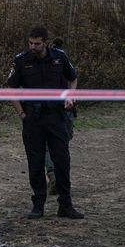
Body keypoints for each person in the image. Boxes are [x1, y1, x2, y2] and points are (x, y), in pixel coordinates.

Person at [7, 27, 83, 219]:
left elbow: (72, 78)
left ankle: (65, 206)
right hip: (33, 118)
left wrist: (69, 96)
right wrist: (21, 113)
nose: (33, 47)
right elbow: (11, 89)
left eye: (37, 43)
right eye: (31, 43)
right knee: (35, 162)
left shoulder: (59, 57)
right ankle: (38, 205)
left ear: (46, 43)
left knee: (62, 161)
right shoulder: (21, 60)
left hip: (56, 117)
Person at [44, 36, 76, 195]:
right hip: (66, 110)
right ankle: (62, 177)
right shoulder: (64, 60)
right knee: (63, 144)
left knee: (48, 145)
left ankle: (53, 174)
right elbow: (73, 79)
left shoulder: (44, 62)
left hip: (54, 111)